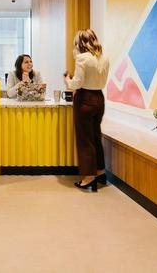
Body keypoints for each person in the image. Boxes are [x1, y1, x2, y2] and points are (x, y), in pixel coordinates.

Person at [64, 29, 110, 192]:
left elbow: (76, 84)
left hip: (84, 98)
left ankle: (88, 178)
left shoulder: (82, 58)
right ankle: (100, 173)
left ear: (81, 43)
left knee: (85, 139)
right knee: (96, 136)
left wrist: (67, 80)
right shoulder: (104, 58)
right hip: (99, 98)